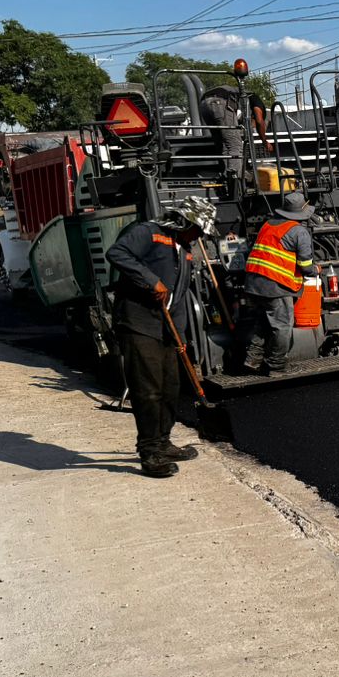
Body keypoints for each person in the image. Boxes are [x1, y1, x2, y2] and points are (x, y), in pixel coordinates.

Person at [106, 199, 212, 478]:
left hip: (167, 329)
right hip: (139, 323)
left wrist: (181, 335)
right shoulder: (149, 233)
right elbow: (117, 253)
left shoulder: (185, 251)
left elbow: (179, 299)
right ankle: (150, 452)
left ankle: (164, 441)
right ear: (185, 222)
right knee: (148, 390)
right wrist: (149, 279)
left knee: (170, 387)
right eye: (198, 230)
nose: (200, 237)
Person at [240, 191, 314, 374]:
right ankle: (276, 365)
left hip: (254, 282)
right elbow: (306, 266)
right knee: (282, 326)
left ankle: (253, 359)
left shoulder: (268, 225)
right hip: (277, 286)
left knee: (264, 323)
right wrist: (316, 270)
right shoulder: (299, 231)